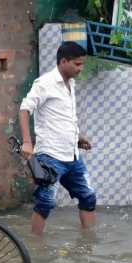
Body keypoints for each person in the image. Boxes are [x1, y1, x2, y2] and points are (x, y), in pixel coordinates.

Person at [19, 41, 96, 235]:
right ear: (63, 61)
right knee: (45, 201)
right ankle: (34, 248)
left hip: (72, 156)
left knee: (88, 196)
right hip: (50, 156)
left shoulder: (71, 83)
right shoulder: (44, 83)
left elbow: (63, 118)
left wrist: (77, 138)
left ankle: (89, 243)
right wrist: (27, 142)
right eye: (78, 64)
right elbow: (24, 109)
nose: (81, 68)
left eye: (82, 64)